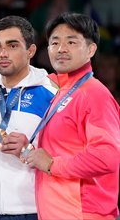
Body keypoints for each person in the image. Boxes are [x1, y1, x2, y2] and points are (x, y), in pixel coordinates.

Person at [26, 12, 120, 219]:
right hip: (58, 211)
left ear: (91, 49)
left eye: (71, 42)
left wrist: (52, 164)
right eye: (55, 42)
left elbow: (107, 158)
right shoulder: (59, 90)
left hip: (83, 213)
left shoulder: (93, 94)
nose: (61, 49)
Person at [0, 15, 57, 220]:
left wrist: (29, 149)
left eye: (12, 46)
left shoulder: (51, 95)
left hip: (32, 210)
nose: (2, 53)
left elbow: (66, 154)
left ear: (31, 51)